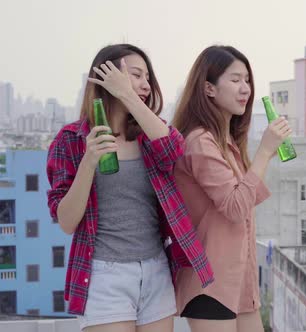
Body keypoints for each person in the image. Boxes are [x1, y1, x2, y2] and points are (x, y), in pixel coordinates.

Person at [46, 44, 213, 331]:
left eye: (148, 78)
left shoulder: (150, 133)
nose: (145, 84)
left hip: (155, 270)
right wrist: (89, 162)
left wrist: (127, 93)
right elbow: (67, 221)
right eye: (136, 75)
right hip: (104, 275)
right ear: (107, 76)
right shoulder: (71, 139)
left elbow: (174, 152)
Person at [171, 45, 292, 332]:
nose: (245, 89)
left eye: (247, 80)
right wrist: (263, 153)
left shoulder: (226, 141)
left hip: (239, 281)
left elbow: (245, 201)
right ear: (209, 88)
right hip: (210, 282)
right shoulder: (200, 141)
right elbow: (236, 208)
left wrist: (263, 155)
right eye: (235, 80)